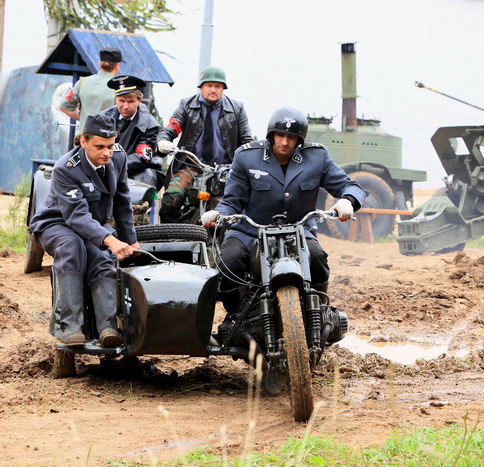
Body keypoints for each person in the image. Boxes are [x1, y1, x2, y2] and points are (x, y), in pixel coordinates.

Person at [200, 107, 365, 316]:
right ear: (271, 135)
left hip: (298, 230)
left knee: (318, 258)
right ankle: (237, 316)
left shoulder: (317, 156)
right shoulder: (246, 156)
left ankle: (317, 312)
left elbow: (350, 186)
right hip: (250, 232)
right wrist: (218, 214)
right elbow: (233, 200)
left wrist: (347, 201)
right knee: (228, 262)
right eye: (280, 135)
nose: (285, 142)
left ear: (299, 141)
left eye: (291, 137)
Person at [29, 114, 140, 347]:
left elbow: (122, 201)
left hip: (94, 225)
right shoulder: (66, 168)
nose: (107, 152)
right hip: (56, 222)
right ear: (83, 141)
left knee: (101, 258)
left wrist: (131, 241)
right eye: (99, 147)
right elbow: (75, 216)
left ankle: (108, 327)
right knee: (72, 248)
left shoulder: (118, 158)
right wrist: (110, 239)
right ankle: (70, 327)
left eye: (110, 146)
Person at [156, 65, 253, 223]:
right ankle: (168, 234)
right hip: (192, 165)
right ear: (201, 87)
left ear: (223, 88)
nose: (213, 90)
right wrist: (164, 140)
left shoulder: (237, 108)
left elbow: (247, 140)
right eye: (209, 85)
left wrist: (252, 158)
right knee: (172, 196)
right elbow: (171, 127)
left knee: (239, 200)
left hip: (226, 168)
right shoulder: (186, 105)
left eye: (218, 86)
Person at [100, 75, 163, 189]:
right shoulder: (103, 117)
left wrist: (112, 167)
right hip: (106, 166)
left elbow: (141, 157)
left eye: (130, 101)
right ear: (116, 99)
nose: (125, 106)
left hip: (135, 171)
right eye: (121, 101)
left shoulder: (150, 125)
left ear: (139, 100)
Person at [60, 48, 123, 130]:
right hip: (107, 139)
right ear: (118, 65)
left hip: (83, 138)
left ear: (99, 63)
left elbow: (64, 106)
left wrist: (85, 119)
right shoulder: (119, 86)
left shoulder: (81, 83)